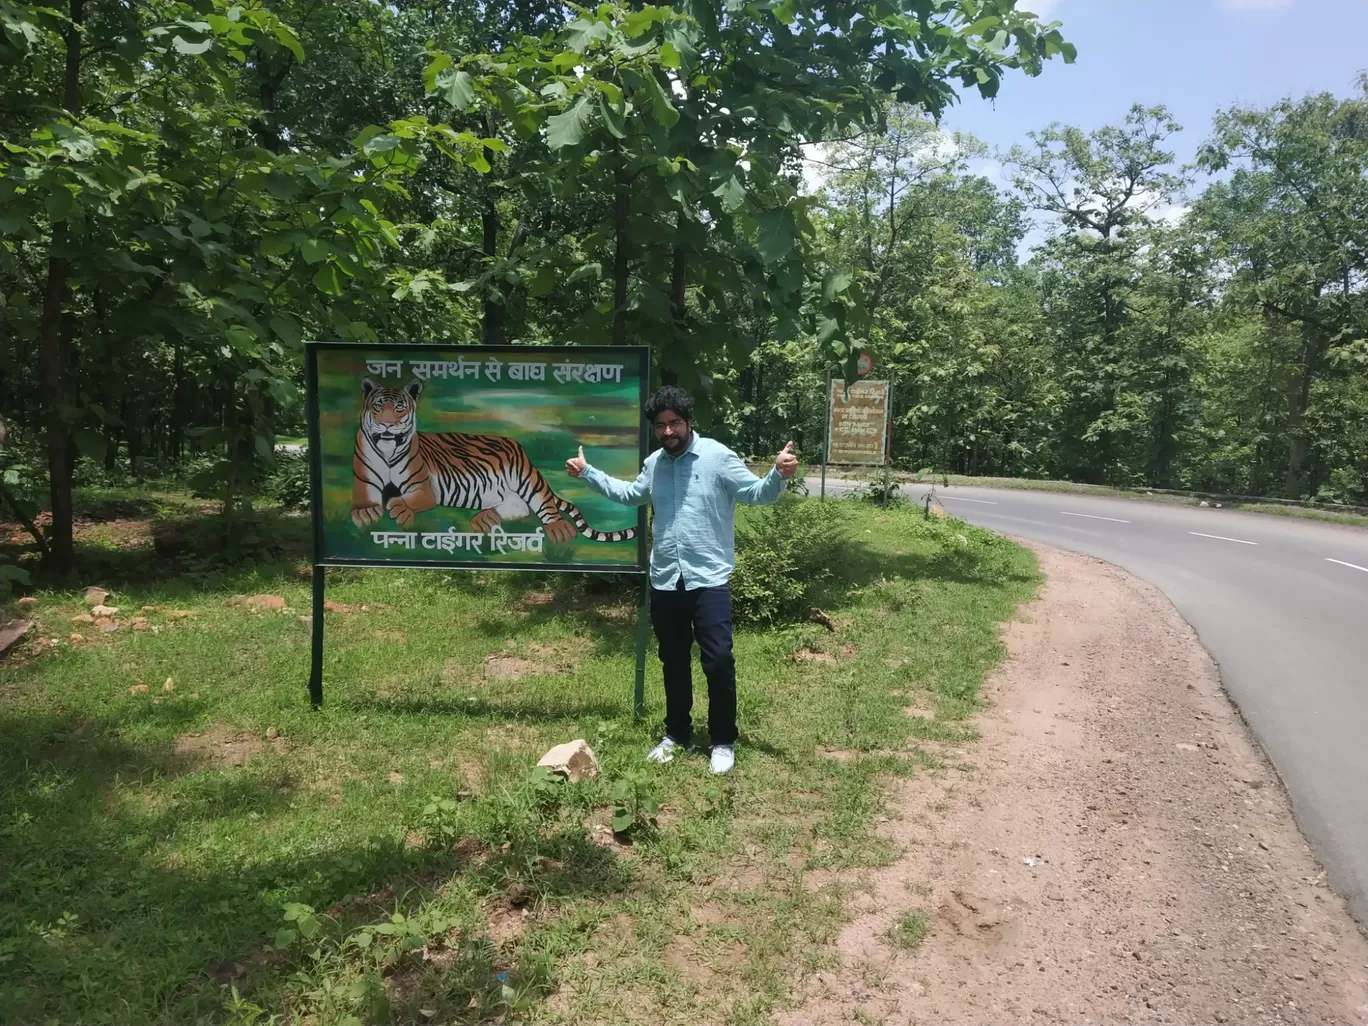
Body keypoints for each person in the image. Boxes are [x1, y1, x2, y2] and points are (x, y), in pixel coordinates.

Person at [566, 386, 799, 774]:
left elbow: (757, 494)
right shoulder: (655, 463)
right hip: (665, 579)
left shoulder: (718, 457)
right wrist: (588, 473)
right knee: (673, 661)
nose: (668, 431)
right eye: (661, 425)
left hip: (708, 578)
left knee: (718, 660)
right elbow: (630, 494)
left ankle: (723, 740)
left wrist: (778, 473)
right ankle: (677, 735)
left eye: (675, 423)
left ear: (689, 422)